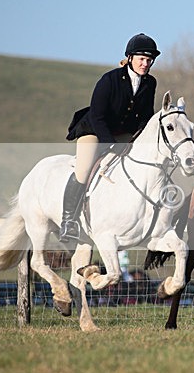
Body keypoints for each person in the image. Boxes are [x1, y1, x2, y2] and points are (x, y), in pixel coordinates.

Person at [59, 33, 161, 242]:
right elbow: (97, 116)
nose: (146, 63)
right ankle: (68, 220)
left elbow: (146, 117)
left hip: (123, 134)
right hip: (95, 131)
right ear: (130, 58)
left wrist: (138, 140)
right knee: (84, 168)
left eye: (149, 60)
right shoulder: (110, 79)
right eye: (141, 58)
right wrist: (111, 144)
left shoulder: (150, 83)